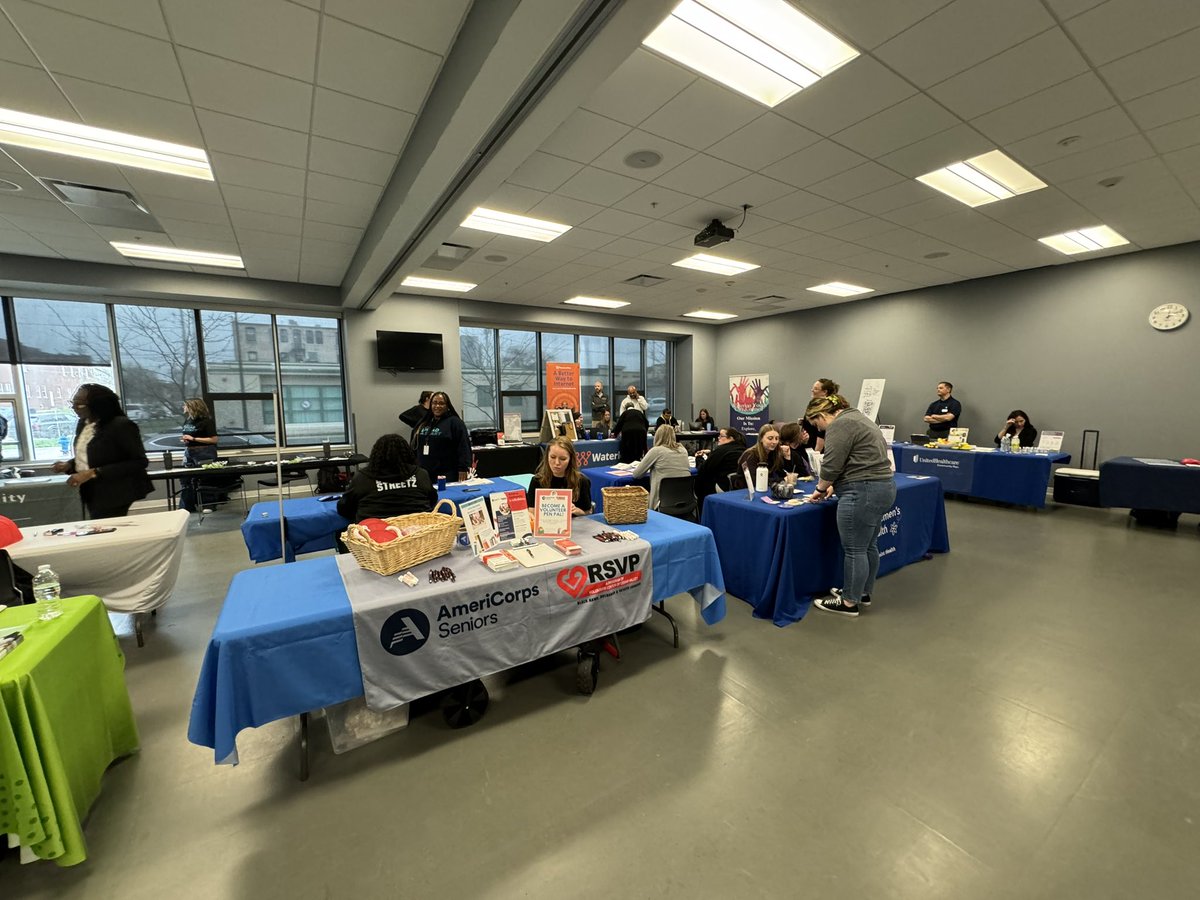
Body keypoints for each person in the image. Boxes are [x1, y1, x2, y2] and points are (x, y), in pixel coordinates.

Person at [805, 394, 896, 618]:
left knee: (854, 549)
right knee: (869, 545)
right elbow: (858, 459)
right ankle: (861, 592)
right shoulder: (861, 418)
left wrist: (820, 488)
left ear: (822, 415)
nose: (819, 429)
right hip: (883, 487)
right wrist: (833, 486)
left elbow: (832, 463)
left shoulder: (840, 424)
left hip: (862, 492)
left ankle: (848, 602)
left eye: (817, 424)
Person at [51, 384, 152, 519]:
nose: (74, 407)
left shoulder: (121, 425)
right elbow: (90, 455)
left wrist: (94, 472)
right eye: (73, 403)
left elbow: (139, 461)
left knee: (105, 530)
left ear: (97, 405)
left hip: (116, 490)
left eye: (79, 404)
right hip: (91, 489)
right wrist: (69, 465)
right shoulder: (83, 424)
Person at [337, 433, 436, 523]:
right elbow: (432, 500)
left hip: (373, 537)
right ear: (407, 453)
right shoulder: (420, 474)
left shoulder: (362, 477)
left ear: (376, 454)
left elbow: (344, 508)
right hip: (418, 534)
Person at [413, 391, 471, 482]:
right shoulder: (424, 422)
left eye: (441, 403)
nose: (437, 406)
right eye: (434, 403)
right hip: (424, 472)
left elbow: (463, 446)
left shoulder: (455, 422)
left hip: (447, 473)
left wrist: (463, 468)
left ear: (447, 406)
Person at [526, 437, 593, 516]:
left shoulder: (581, 481)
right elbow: (532, 512)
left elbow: (588, 512)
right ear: (547, 456)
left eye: (563, 459)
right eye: (553, 457)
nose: (557, 463)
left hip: (575, 526)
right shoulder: (537, 481)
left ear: (570, 459)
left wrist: (576, 510)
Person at [631, 424, 691, 509]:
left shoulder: (656, 451)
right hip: (685, 502)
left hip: (661, 504)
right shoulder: (683, 450)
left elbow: (636, 474)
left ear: (658, 436)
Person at [179, 398, 219, 513]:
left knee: (205, 478)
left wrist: (194, 439)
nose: (183, 407)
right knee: (186, 479)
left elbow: (214, 439)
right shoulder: (187, 421)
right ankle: (187, 506)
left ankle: (209, 504)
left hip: (204, 452)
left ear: (193, 406)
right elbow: (188, 435)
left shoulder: (206, 422)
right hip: (189, 451)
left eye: (185, 405)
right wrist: (186, 440)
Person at [694, 427, 746, 507]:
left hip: (722, 486)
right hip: (739, 488)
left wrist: (699, 458)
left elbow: (705, 468)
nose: (718, 438)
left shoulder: (720, 450)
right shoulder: (743, 448)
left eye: (721, 436)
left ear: (731, 438)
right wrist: (711, 452)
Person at [801, 378, 839, 451]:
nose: (812, 390)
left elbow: (821, 433)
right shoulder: (814, 404)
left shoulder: (825, 408)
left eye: (815, 389)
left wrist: (816, 454)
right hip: (808, 443)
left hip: (816, 448)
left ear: (824, 392)